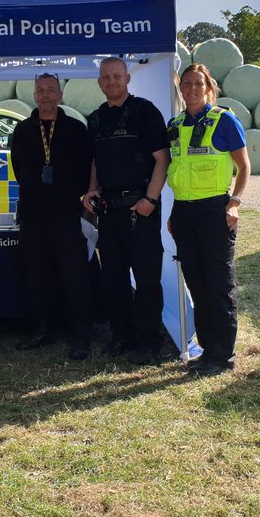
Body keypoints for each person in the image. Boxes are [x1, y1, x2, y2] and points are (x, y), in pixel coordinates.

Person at [84, 57, 170, 365]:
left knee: (147, 280)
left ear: (127, 78)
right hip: (109, 212)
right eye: (105, 77)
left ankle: (149, 342)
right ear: (99, 82)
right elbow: (94, 161)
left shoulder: (145, 112)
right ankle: (122, 337)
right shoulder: (95, 119)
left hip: (140, 210)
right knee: (114, 279)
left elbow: (162, 159)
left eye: (116, 76)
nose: (111, 82)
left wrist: (150, 199)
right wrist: (91, 189)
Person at [166, 63, 251, 376]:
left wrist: (234, 203)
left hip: (215, 210)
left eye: (197, 84)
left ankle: (223, 357)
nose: (191, 89)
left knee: (218, 285)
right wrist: (175, 213)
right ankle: (207, 351)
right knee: (197, 285)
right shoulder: (174, 125)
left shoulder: (224, 120)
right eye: (186, 84)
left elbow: (244, 167)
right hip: (185, 212)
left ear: (208, 88)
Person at [10, 73, 93, 360]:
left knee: (74, 274)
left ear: (60, 95)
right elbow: (18, 170)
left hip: (66, 214)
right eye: (40, 91)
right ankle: (41, 330)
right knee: (36, 274)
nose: (45, 96)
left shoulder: (75, 129)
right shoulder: (22, 131)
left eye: (51, 90)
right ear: (34, 95)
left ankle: (81, 333)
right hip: (33, 214)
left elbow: (85, 168)